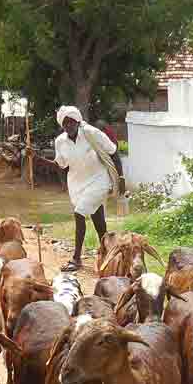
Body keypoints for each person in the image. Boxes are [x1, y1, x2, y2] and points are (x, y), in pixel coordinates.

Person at [54, 105, 117, 272]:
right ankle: (107, 252)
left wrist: (121, 178)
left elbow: (112, 150)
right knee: (98, 220)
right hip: (77, 183)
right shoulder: (60, 142)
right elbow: (60, 164)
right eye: (65, 123)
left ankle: (76, 258)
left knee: (79, 213)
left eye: (72, 121)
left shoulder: (91, 133)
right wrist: (36, 158)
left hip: (99, 180)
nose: (69, 125)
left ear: (78, 121)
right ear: (62, 125)